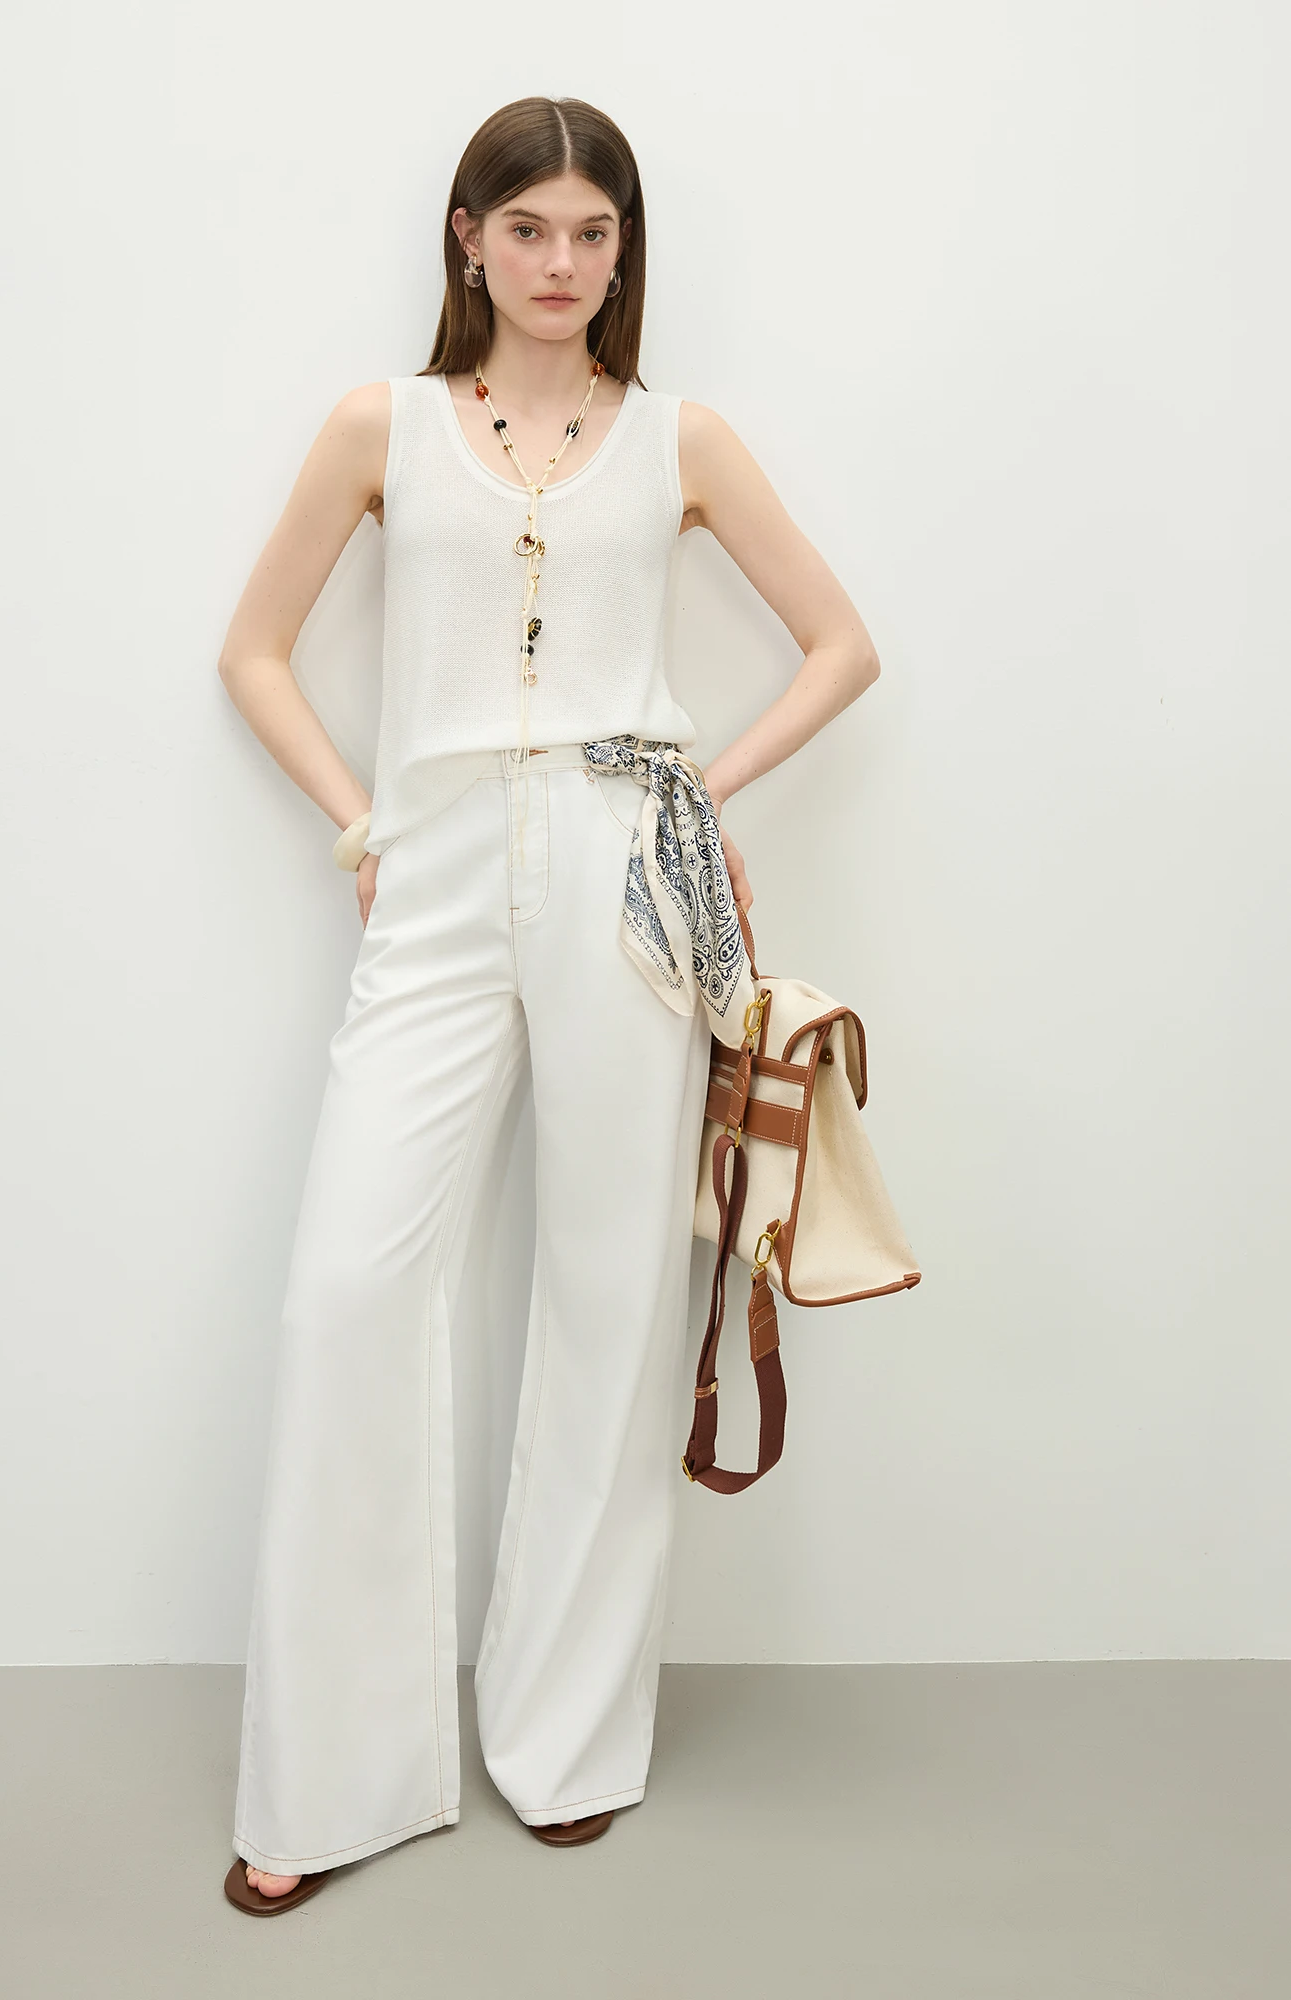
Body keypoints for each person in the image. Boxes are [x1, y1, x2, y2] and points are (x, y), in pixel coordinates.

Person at [215, 95, 881, 1916]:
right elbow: (251, 651)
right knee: (348, 1291)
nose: (562, 263)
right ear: (469, 237)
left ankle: (566, 1736)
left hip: (623, 878)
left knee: (606, 1301)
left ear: (622, 248)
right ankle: (328, 1778)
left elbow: (843, 645)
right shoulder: (381, 427)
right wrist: (360, 820)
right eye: (529, 229)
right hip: (432, 874)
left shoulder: (679, 439)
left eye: (594, 232)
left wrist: (693, 798)